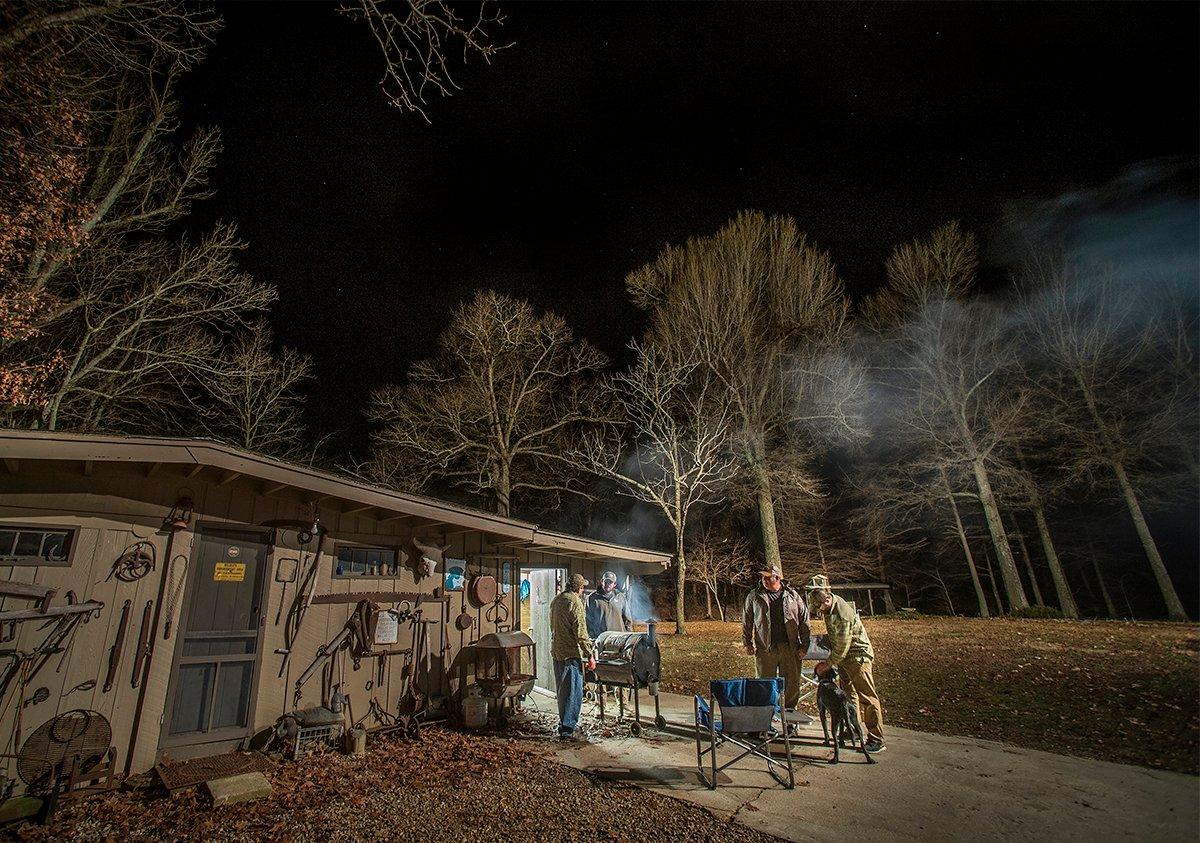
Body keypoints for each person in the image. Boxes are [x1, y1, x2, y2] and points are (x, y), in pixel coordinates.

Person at [809, 586, 885, 753]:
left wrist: (826, 664)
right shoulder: (830, 607)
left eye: (819, 607)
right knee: (849, 695)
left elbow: (843, 647)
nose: (819, 612)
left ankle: (876, 738)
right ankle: (854, 730)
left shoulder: (843, 614)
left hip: (857, 657)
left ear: (826, 600)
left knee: (867, 697)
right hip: (844, 659)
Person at [742, 564, 811, 713]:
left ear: (778, 578)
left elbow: (804, 620)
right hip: (766, 648)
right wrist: (747, 642)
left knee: (791, 685)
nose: (764, 580)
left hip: (790, 647)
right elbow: (747, 620)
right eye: (763, 577)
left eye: (768, 577)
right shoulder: (754, 596)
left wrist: (804, 645)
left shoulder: (792, 595)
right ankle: (765, 719)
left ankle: (790, 718)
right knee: (764, 684)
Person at [550, 573, 596, 741]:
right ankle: (568, 729)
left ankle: (564, 723)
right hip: (570, 654)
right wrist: (589, 655)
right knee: (573, 692)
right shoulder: (575, 603)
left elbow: (551, 625)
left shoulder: (557, 600)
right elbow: (581, 633)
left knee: (562, 692)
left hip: (557, 653)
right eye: (582, 587)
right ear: (579, 588)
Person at [586, 570, 632, 639]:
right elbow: (587, 620)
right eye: (606, 582)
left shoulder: (621, 597)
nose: (608, 584)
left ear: (615, 584)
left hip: (619, 638)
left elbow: (628, 619)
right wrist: (592, 636)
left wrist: (629, 636)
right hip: (601, 639)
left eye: (610, 582)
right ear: (602, 582)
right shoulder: (592, 598)